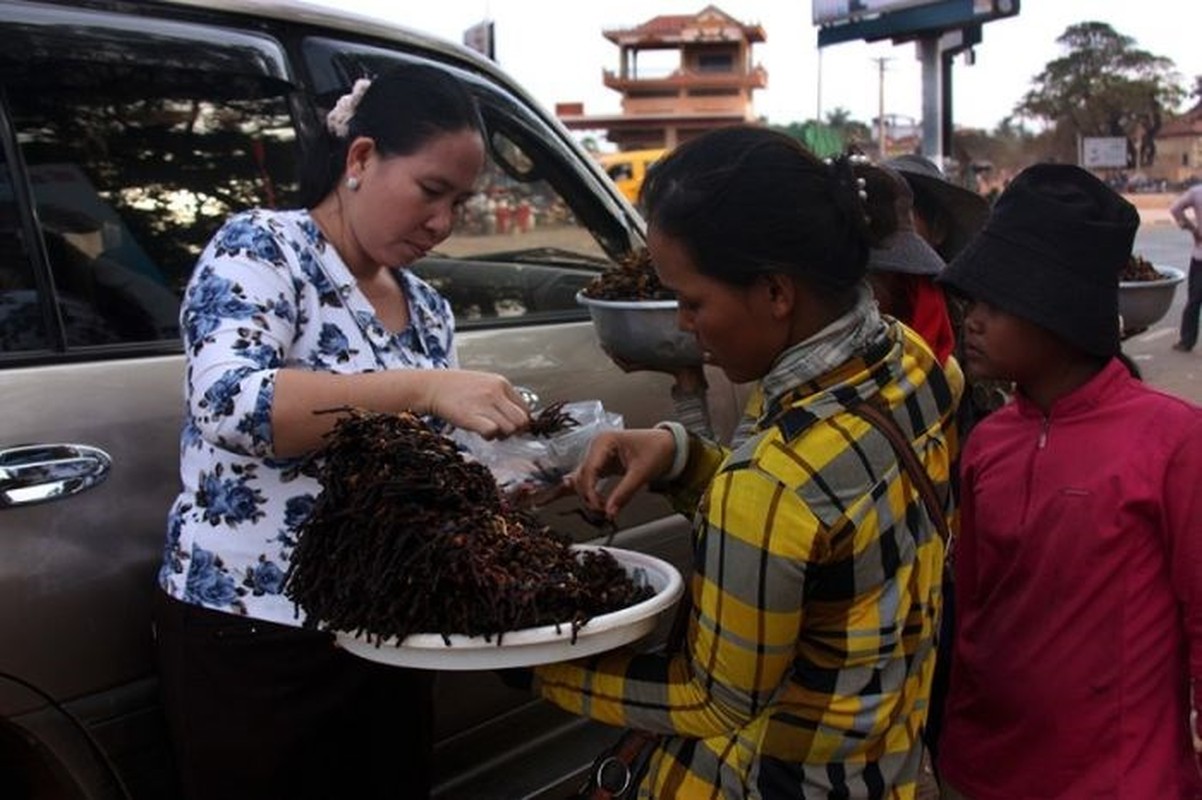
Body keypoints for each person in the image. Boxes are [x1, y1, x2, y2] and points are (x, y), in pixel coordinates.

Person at [532, 126, 960, 798]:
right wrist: (680, 457)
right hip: (880, 765)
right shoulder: (910, 362)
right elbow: (825, 542)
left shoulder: (770, 483)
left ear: (776, 293)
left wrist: (537, 665)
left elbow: (713, 701)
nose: (681, 323)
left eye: (694, 300)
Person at [152, 64, 532, 800]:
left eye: (461, 203)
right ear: (360, 159)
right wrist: (422, 388)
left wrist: (520, 476)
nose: (443, 224)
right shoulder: (262, 249)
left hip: (384, 625)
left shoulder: (427, 308)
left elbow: (437, 463)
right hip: (253, 633)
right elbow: (232, 404)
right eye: (430, 191)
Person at [934, 163, 1202, 799]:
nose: (970, 320)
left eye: (995, 304)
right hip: (986, 771)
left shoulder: (1172, 440)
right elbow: (972, 605)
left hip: (1123, 780)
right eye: (972, 300)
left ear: (1057, 307)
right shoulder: (988, 443)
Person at [1170, 181, 1202, 352]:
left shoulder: (1197, 192)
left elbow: (1175, 209)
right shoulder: (1197, 192)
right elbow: (1175, 208)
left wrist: (1191, 228)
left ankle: (1187, 340)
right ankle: (1187, 339)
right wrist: (1192, 229)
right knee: (1194, 301)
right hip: (1199, 257)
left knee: (1194, 301)